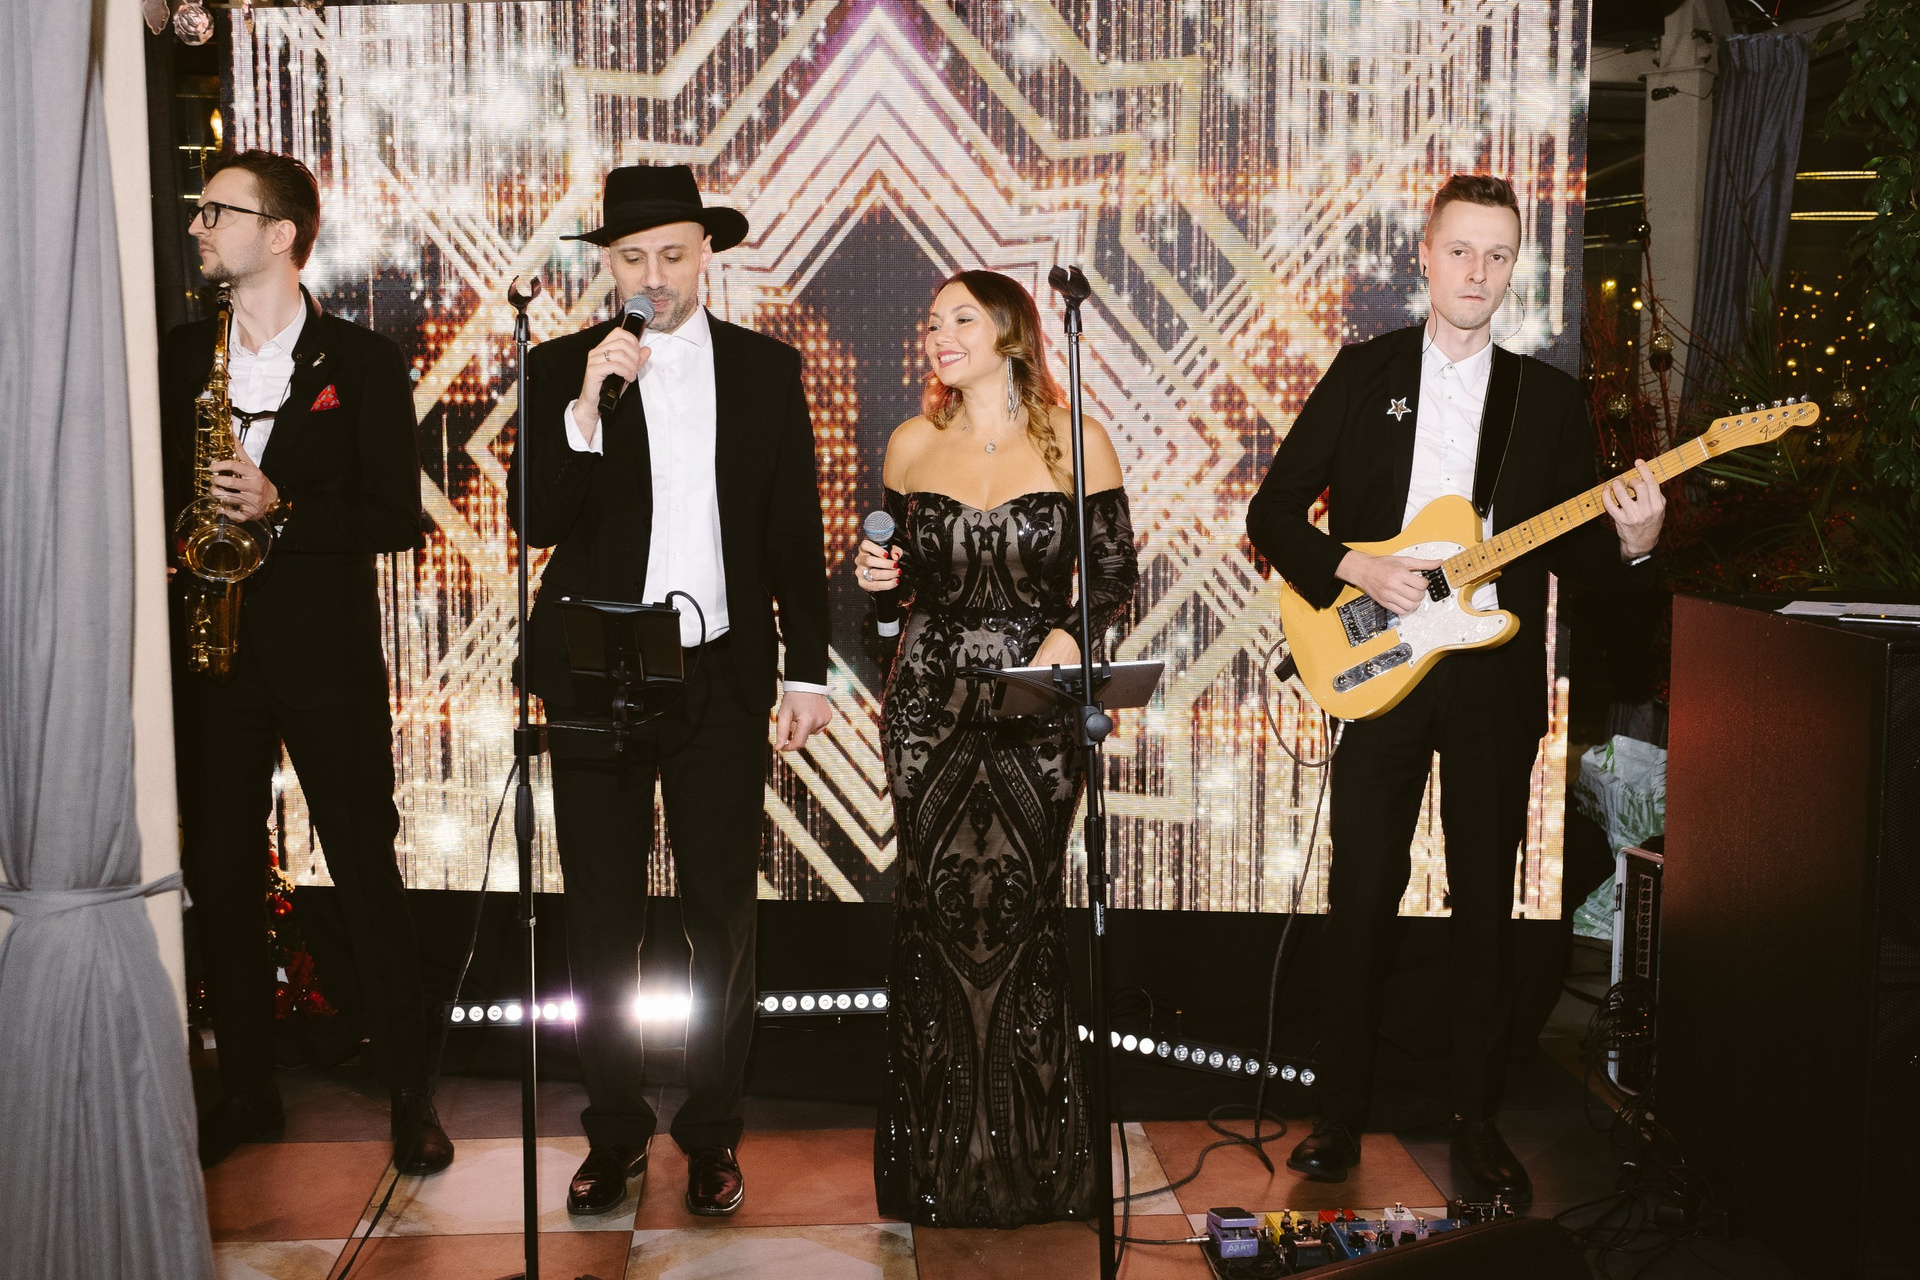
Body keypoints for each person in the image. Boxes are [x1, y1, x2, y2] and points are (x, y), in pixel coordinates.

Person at [1245, 175, 1666, 1203]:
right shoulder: (1366, 371)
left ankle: (1476, 1120)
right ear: (1425, 255)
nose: (1479, 271)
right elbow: (1272, 511)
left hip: (1491, 680)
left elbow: (1581, 564)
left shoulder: (1548, 400)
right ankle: (1338, 1113)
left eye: (1499, 254)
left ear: (1515, 267)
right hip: (1377, 669)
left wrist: (1638, 542)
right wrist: (1355, 566)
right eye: (1462, 249)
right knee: (1361, 896)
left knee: (1484, 904)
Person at [508, 164, 833, 1218]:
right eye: (632, 256)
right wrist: (586, 407)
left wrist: (808, 667)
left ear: (707, 256)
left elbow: (792, 533)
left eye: (673, 254)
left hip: (720, 671)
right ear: (609, 265)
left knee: (719, 916)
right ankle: (613, 1133)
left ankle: (712, 1131)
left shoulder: (766, 370)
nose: (654, 274)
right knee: (601, 917)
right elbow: (534, 520)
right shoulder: (562, 366)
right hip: (594, 670)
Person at [162, 150, 451, 1174]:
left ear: (280, 234)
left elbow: (395, 518)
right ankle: (247, 1089)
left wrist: (281, 510)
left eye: (218, 211)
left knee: (365, 865)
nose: (197, 227)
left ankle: (412, 1095)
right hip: (211, 652)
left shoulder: (362, 361)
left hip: (325, 658)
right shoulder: (179, 356)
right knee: (223, 874)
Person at [855, 269, 1139, 1227]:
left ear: (1011, 330)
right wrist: (879, 582)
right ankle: (937, 1169)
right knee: (935, 920)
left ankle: (1032, 1166)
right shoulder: (910, 442)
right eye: (932, 320)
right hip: (927, 708)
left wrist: (1067, 637)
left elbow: (1113, 575)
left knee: (1021, 917)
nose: (940, 333)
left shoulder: (1076, 438)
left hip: (1035, 710)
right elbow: (896, 598)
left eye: (961, 318)